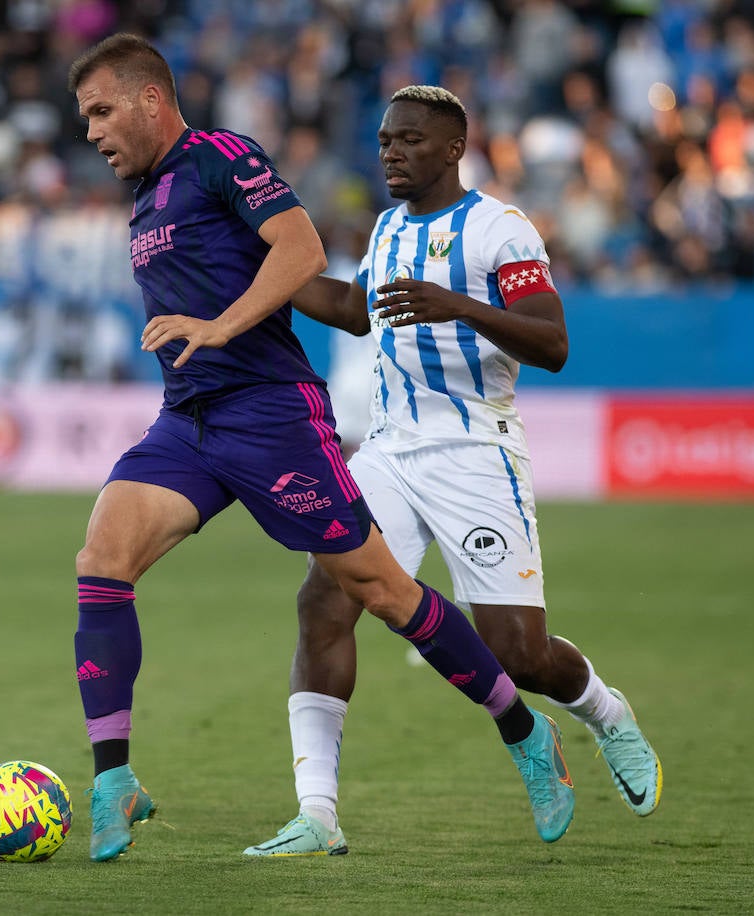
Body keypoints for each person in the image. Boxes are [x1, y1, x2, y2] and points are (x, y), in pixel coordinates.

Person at [66, 34, 576, 864]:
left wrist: (219, 325)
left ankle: (524, 732)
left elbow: (300, 250)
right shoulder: (146, 196)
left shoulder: (222, 157)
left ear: (150, 100)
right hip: (187, 418)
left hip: (270, 414)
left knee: (380, 590)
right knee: (102, 558)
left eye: (100, 111)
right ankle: (115, 780)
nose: (90, 131)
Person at [245, 85, 662, 857]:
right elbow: (356, 308)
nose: (391, 153)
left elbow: (553, 344)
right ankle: (318, 812)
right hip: (391, 452)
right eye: (382, 142)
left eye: (407, 140)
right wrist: (264, 273)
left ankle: (606, 713)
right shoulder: (389, 227)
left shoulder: (500, 229)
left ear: (451, 148)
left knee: (517, 655)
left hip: (476, 454)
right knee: (324, 603)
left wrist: (458, 306)